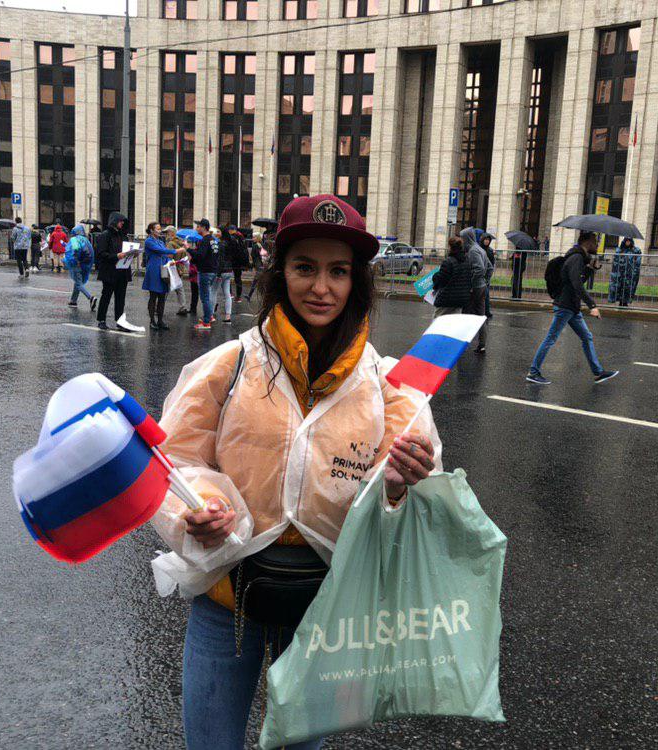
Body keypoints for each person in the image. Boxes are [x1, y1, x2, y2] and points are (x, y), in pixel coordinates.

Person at [151, 194, 441, 750]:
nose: (321, 288)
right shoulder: (229, 365)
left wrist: (400, 487)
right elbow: (175, 460)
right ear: (279, 272)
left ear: (357, 281)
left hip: (323, 610)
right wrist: (199, 508)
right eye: (305, 267)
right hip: (226, 600)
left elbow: (405, 516)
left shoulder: (390, 387)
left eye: (339, 271)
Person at [526, 231, 619, 385]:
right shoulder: (576, 258)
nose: (597, 245)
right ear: (587, 242)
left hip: (572, 307)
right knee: (551, 338)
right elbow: (576, 284)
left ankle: (598, 372)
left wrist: (590, 268)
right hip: (565, 306)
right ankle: (533, 372)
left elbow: (577, 281)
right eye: (595, 242)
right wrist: (592, 305)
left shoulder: (579, 258)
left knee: (586, 337)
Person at [143, 222, 185, 331]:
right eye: (157, 229)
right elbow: (161, 251)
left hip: (163, 269)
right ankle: (152, 321)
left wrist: (172, 261)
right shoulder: (149, 241)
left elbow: (165, 255)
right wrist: (177, 250)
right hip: (154, 270)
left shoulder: (160, 241)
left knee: (162, 296)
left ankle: (160, 321)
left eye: (159, 228)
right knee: (153, 296)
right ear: (151, 230)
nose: (160, 230)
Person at [94, 212, 132, 330]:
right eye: (120, 221)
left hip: (122, 271)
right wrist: (116, 256)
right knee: (106, 296)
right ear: (114, 221)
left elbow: (126, 250)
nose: (122, 223)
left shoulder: (123, 235)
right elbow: (101, 253)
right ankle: (101, 320)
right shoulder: (105, 235)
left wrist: (132, 254)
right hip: (109, 271)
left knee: (120, 298)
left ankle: (120, 322)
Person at [460, 226, 491, 353]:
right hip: (482, 286)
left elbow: (480, 269)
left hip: (475, 288)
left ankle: (460, 343)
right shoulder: (480, 249)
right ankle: (482, 345)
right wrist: (486, 281)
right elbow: (490, 268)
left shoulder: (473, 251)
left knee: (465, 314)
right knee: (480, 316)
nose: (462, 241)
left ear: (467, 238)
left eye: (462, 238)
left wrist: (472, 285)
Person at [431, 236, 473, 317]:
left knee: (438, 321)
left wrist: (435, 276)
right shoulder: (467, 260)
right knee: (454, 321)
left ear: (450, 247)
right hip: (461, 298)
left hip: (447, 299)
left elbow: (441, 279)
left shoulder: (448, 261)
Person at [190, 218, 219, 331]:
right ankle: (209, 316)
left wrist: (189, 249)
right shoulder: (213, 240)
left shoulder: (205, 240)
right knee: (208, 295)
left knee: (205, 297)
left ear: (203, 227)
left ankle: (206, 322)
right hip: (213, 271)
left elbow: (200, 256)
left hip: (205, 271)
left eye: (198, 226)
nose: (196, 228)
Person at [64, 224, 97, 311]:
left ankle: (90, 298)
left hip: (77, 264)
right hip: (85, 265)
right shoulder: (86, 240)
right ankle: (73, 301)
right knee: (78, 282)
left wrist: (74, 260)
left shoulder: (75, 239)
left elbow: (75, 250)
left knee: (78, 284)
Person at [213, 225, 238, 323]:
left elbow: (220, 260)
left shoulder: (221, 244)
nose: (216, 233)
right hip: (229, 271)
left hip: (222, 271)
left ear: (222, 233)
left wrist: (218, 273)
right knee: (227, 294)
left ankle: (210, 314)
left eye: (218, 231)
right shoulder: (230, 242)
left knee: (214, 291)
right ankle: (228, 316)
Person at [608, 237, 642, 307]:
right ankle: (620, 301)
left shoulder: (636, 250)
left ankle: (625, 302)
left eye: (629, 241)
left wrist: (634, 271)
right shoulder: (619, 250)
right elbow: (615, 261)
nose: (628, 242)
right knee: (619, 287)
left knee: (628, 288)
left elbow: (637, 263)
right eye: (626, 241)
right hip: (620, 273)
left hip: (630, 274)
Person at [228, 226, 249, 302]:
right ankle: (238, 296)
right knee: (238, 278)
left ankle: (230, 293)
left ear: (231, 230)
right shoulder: (241, 237)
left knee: (227, 277)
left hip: (232, 260)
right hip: (239, 262)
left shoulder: (232, 238)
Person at [480, 232, 495, 318]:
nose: (487, 241)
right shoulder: (479, 249)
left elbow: (492, 263)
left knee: (486, 294)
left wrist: (489, 274)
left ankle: (486, 311)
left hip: (487, 275)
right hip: (480, 273)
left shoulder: (490, 250)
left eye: (488, 240)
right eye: (485, 239)